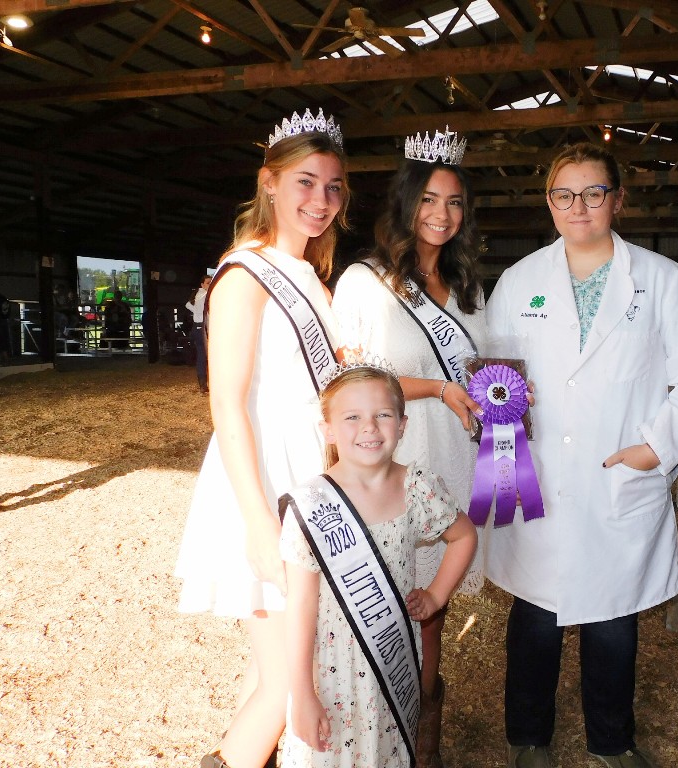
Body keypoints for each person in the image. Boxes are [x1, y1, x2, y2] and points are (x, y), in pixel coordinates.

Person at [484, 142, 678, 768]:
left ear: (618, 199)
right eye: (564, 194)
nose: (579, 206)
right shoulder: (519, 281)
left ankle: (611, 743)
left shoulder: (661, 280)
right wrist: (500, 443)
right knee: (534, 619)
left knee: (614, 621)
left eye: (594, 193)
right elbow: (493, 370)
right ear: (549, 203)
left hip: (618, 470)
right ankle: (528, 739)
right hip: (534, 472)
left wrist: (657, 446)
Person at [173, 108, 350, 768]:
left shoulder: (313, 279)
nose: (320, 200)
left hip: (307, 476)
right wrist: (256, 522)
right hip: (265, 482)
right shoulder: (244, 273)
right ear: (269, 182)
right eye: (306, 182)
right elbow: (226, 402)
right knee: (289, 681)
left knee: (269, 669)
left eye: (333, 187)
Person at [331, 127, 485, 767]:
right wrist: (440, 389)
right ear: (405, 202)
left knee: (431, 606)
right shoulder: (365, 282)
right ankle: (369, 732)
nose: (441, 215)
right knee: (382, 599)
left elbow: (481, 373)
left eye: (454, 202)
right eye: (428, 199)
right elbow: (350, 380)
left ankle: (422, 738)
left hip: (452, 456)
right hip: (394, 458)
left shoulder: (469, 287)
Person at [279, 363, 477, 768]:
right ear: (328, 430)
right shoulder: (311, 505)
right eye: (352, 417)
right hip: (332, 673)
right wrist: (302, 692)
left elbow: (464, 536)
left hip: (393, 661)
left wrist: (436, 595)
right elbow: (300, 606)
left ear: (402, 425)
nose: (369, 427)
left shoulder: (417, 487)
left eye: (383, 415)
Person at [186, 274, 213, 391]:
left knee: (202, 355)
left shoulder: (200, 294)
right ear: (202, 285)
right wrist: (198, 314)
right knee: (203, 355)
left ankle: (203, 383)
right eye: (208, 283)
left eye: (211, 282)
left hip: (199, 326)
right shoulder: (203, 295)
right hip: (201, 328)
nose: (210, 285)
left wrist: (197, 313)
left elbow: (187, 305)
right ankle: (203, 384)